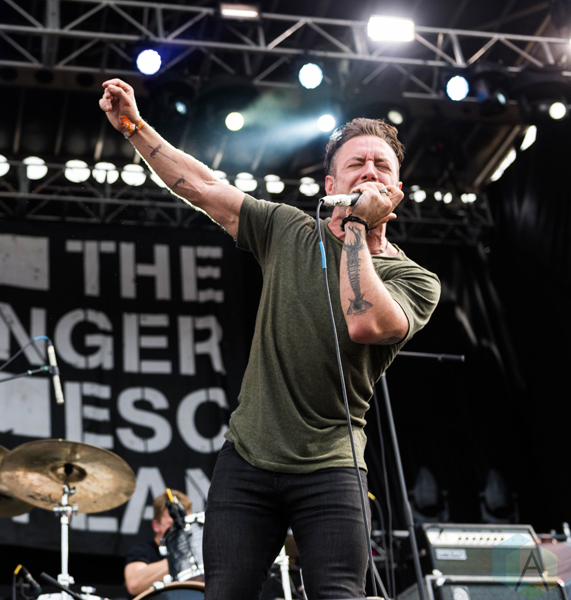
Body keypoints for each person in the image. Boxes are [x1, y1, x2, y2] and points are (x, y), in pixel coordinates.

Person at [99, 79, 440, 600]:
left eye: (381, 166)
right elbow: (201, 186)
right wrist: (133, 126)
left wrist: (355, 228)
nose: (370, 171)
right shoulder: (287, 229)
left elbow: (364, 322)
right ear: (330, 184)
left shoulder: (415, 279)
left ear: (396, 189)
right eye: (356, 163)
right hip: (248, 458)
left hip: (332, 463)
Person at [124, 490, 192, 598]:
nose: (180, 529)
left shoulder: (195, 554)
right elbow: (134, 584)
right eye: (173, 524)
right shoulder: (142, 550)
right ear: (156, 525)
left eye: (185, 524)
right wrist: (179, 558)